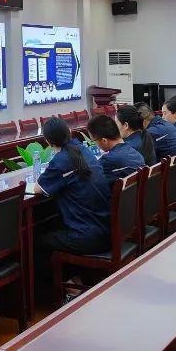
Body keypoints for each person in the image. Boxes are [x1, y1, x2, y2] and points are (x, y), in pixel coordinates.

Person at [35, 117, 112, 265]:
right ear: (69, 132)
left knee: (38, 240)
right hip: (106, 229)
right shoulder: (83, 149)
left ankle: (68, 279)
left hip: (87, 237)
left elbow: (38, 188)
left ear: (48, 141)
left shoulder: (61, 160)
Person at [86, 114, 145, 187]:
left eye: (93, 141)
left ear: (104, 140)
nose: (95, 144)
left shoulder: (107, 160)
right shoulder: (134, 151)